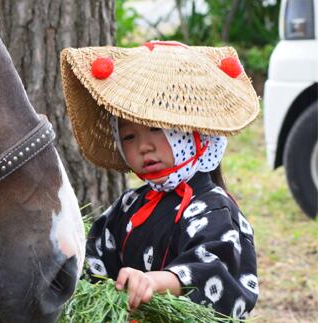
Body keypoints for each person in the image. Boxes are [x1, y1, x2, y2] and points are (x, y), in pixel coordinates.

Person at [60, 41, 259, 319]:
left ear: (193, 132)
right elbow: (94, 257)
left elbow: (214, 269)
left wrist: (156, 282)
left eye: (156, 128)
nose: (144, 146)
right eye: (129, 136)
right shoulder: (130, 204)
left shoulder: (214, 208)